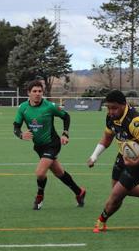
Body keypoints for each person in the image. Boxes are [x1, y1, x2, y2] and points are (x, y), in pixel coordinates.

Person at [87, 90, 139, 233]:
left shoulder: (136, 121)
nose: (111, 111)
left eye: (114, 108)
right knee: (119, 189)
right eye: (108, 108)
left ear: (124, 105)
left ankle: (101, 220)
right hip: (123, 155)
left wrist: (137, 161)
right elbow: (107, 138)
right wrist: (94, 156)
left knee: (116, 195)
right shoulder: (110, 117)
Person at [13, 80, 86, 210]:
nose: (37, 94)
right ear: (28, 93)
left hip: (52, 143)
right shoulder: (23, 108)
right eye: (34, 91)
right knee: (59, 173)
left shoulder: (49, 106)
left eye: (40, 91)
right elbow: (16, 127)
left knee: (40, 173)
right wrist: (20, 135)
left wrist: (65, 134)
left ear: (43, 93)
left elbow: (66, 116)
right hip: (39, 146)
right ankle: (79, 192)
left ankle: (40, 196)